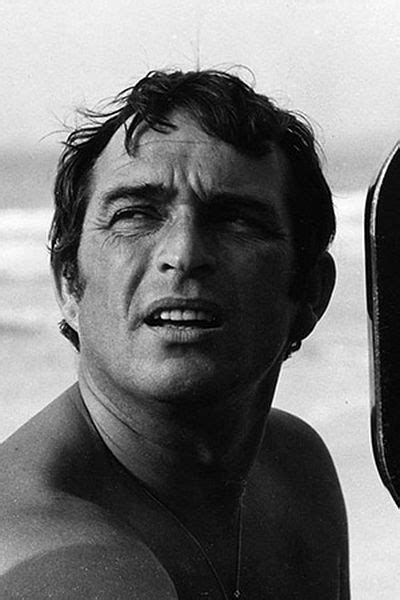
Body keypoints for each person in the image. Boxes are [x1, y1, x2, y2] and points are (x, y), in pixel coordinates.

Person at [0, 69, 349, 599]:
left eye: (235, 220)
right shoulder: (62, 561)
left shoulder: (293, 468)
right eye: (135, 215)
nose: (183, 255)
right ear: (70, 283)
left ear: (310, 294)